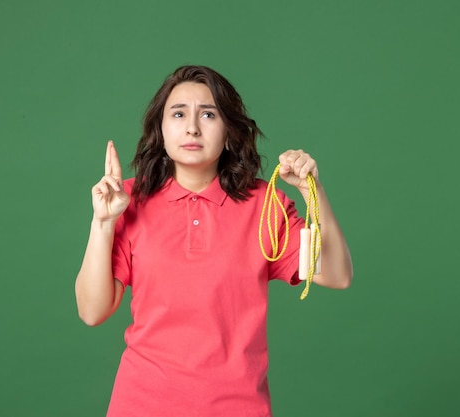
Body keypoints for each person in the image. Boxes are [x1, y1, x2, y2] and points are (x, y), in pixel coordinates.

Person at [75, 65, 353, 417]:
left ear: (229, 132)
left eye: (208, 114)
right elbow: (92, 311)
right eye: (178, 114)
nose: (192, 127)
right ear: (160, 130)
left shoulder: (265, 205)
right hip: (141, 405)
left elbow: (337, 274)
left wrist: (314, 193)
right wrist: (103, 222)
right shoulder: (128, 200)